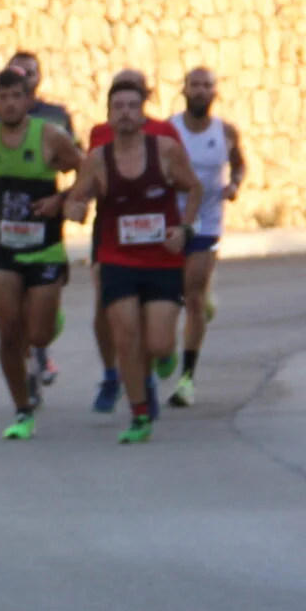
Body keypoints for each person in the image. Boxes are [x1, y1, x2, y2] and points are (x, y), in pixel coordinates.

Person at [67, 74, 204, 444]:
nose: (126, 114)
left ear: (143, 113)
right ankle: (140, 414)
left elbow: (194, 187)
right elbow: (76, 198)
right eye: (118, 107)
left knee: (157, 343)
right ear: (108, 115)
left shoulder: (165, 150)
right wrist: (75, 208)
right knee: (126, 337)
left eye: (132, 106)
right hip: (118, 258)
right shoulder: (98, 158)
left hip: (161, 260)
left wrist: (185, 229)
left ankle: (162, 358)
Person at [0, 66, 82, 439]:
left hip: (45, 250)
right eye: (3, 97)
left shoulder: (50, 137)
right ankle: (22, 408)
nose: (10, 104)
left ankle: (48, 326)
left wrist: (60, 199)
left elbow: (86, 171)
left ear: (29, 100)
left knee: (38, 335)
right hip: (4, 252)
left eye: (17, 97)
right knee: (9, 333)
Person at [83, 68, 184, 412]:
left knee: (152, 331)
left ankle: (153, 364)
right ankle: (119, 379)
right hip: (111, 231)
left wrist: (181, 227)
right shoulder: (99, 134)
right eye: (118, 99)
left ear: (144, 100)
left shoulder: (165, 135)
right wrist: (74, 201)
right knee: (114, 312)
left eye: (134, 97)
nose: (125, 109)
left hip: (157, 239)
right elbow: (89, 180)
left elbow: (181, 180)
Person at [166, 67, 246, 406]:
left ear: (215, 92)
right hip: (171, 220)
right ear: (183, 90)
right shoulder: (169, 131)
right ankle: (162, 349)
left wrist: (234, 185)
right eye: (194, 85)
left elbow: (240, 165)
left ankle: (187, 378)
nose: (200, 91)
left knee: (193, 295)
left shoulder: (225, 131)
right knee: (167, 296)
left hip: (207, 222)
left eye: (207, 86)